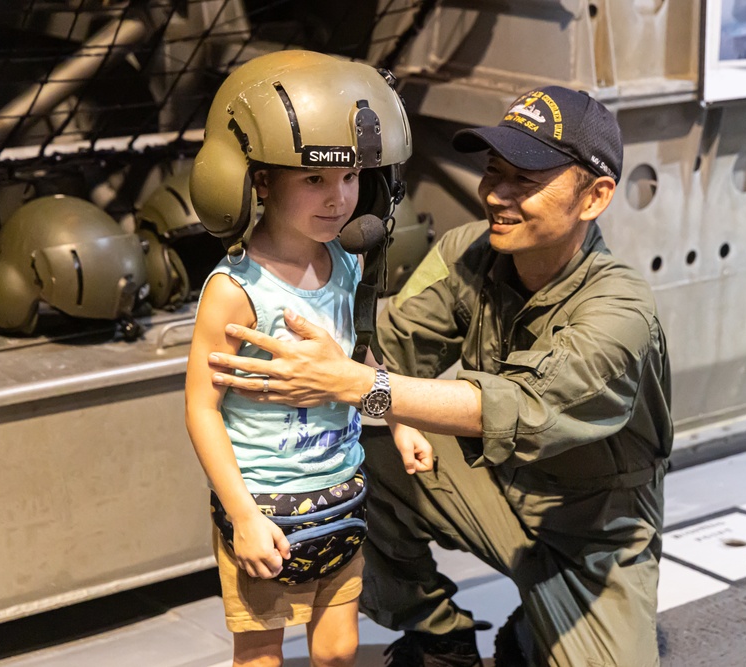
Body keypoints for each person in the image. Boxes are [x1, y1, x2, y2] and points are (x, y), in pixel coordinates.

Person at [209, 85, 674, 667]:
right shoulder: (466, 253)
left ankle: (536, 630)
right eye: (493, 172)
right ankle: (437, 635)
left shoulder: (620, 309)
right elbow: (386, 350)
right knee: (358, 442)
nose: (497, 195)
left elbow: (528, 408)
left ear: (594, 196)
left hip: (593, 529)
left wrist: (353, 384)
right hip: (488, 485)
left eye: (525, 182)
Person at [184, 51, 426, 667]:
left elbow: (359, 353)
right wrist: (241, 514)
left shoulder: (345, 263)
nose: (339, 199)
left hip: (341, 494)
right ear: (260, 181)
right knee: (261, 654)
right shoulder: (234, 291)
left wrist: (399, 417)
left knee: (339, 650)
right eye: (314, 179)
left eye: (349, 178)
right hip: (266, 506)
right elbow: (202, 409)